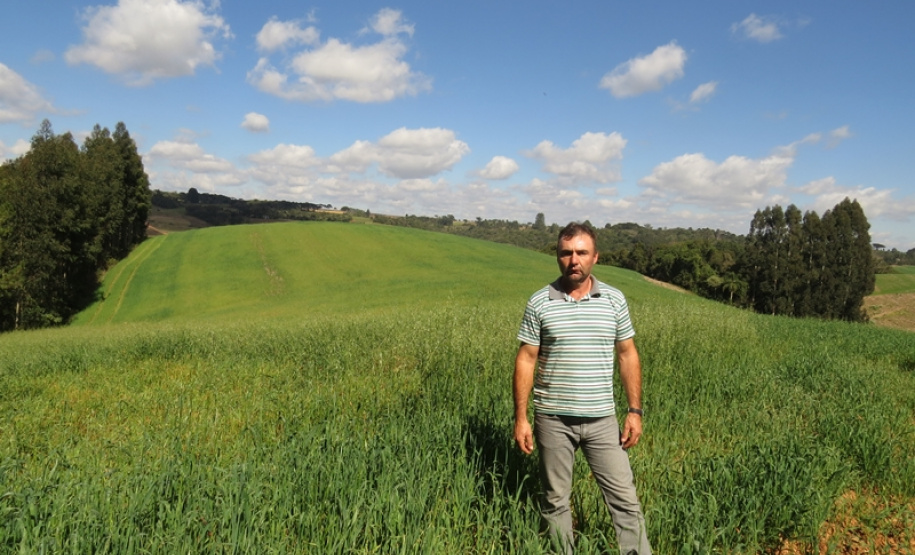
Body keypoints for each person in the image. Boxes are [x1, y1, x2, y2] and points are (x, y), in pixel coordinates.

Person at [513, 222, 651, 554]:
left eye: (581, 252)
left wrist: (634, 411)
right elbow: (526, 359)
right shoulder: (540, 302)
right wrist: (521, 418)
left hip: (602, 420)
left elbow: (627, 353)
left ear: (595, 257)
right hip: (552, 420)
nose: (574, 259)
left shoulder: (614, 300)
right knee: (555, 500)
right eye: (566, 252)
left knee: (625, 500)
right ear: (558, 257)